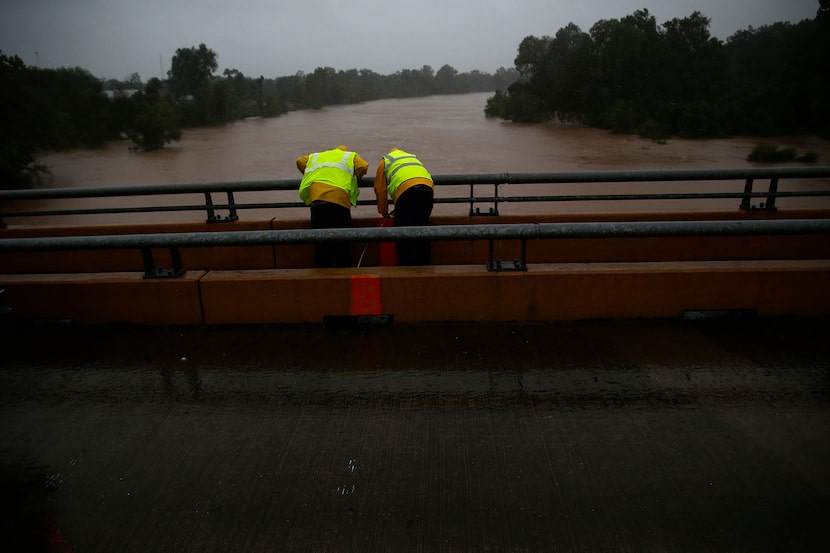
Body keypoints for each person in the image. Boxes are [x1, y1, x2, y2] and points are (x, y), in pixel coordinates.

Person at [296, 145, 368, 267]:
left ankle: (322, 274)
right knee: (342, 240)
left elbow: (300, 161)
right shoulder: (350, 156)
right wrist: (355, 177)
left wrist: (315, 174)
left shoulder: (317, 156)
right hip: (338, 198)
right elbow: (363, 166)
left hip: (317, 198)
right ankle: (343, 272)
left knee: (320, 241)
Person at [373, 148, 434, 265]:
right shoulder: (412, 157)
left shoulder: (385, 160)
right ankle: (424, 266)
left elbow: (380, 189)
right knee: (422, 228)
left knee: (402, 231)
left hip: (406, 192)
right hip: (427, 190)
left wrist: (383, 211)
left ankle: (407, 266)